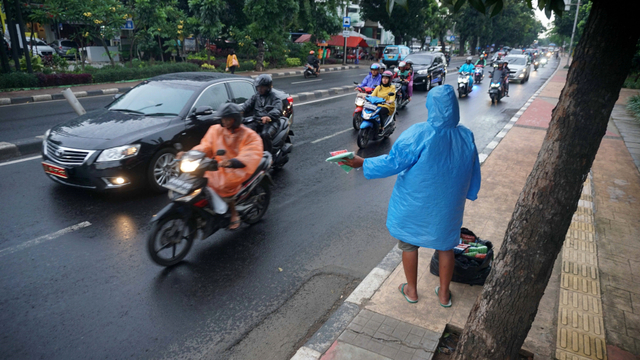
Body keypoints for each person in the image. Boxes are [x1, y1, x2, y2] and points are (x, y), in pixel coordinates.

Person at [342, 85, 481, 306]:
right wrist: (471, 191)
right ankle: (444, 295)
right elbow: (473, 168)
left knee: (408, 244)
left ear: (432, 107)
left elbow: (394, 162)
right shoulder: (466, 135)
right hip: (448, 205)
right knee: (446, 246)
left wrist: (363, 163)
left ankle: (412, 291)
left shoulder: (419, 133)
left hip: (415, 202)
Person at [180, 103, 264, 230]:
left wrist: (232, 162)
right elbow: (205, 146)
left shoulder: (248, 135)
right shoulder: (215, 130)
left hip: (236, 168)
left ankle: (234, 213)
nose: (224, 122)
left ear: (235, 119)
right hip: (217, 164)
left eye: (228, 119)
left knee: (222, 184)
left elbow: (250, 153)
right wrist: (190, 154)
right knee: (198, 177)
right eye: (223, 119)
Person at [241, 74, 283, 153]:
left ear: (268, 87)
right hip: (257, 121)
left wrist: (268, 116)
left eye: (262, 87)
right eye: (258, 87)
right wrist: (237, 111)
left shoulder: (275, 97)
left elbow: (277, 110)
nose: (260, 89)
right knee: (244, 131)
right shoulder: (256, 96)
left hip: (271, 122)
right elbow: (246, 105)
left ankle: (268, 156)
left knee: (265, 134)